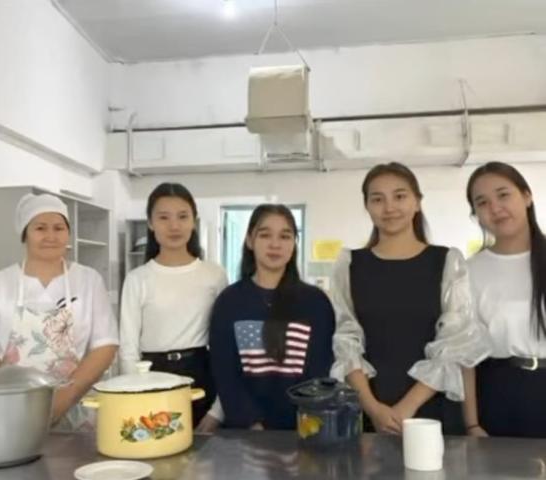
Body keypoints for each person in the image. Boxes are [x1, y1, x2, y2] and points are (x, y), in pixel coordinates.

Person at [330, 162, 489, 435]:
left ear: (417, 202)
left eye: (400, 196)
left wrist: (406, 408)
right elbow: (346, 340)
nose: (389, 207)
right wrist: (373, 408)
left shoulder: (447, 262)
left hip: (432, 410)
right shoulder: (350, 264)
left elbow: (456, 343)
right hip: (369, 411)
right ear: (367, 206)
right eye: (377, 199)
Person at [0, 193, 118, 431]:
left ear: (68, 233)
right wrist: (4, 404)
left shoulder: (88, 280)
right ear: (25, 234)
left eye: (59, 228)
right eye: (40, 228)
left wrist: (64, 399)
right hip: (11, 413)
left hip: (76, 406)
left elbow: (105, 346)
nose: (51, 236)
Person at [209, 204, 335, 429]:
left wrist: (304, 423)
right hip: (244, 431)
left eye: (285, 236)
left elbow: (319, 371)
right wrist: (252, 423)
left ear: (294, 244)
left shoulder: (316, 302)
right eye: (265, 235)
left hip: (303, 428)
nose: (275, 244)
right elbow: (225, 373)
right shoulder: (229, 302)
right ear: (250, 241)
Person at [119, 183, 228, 430]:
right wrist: (136, 397)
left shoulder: (214, 275)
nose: (174, 226)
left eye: (182, 216)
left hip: (201, 375)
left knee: (203, 453)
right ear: (150, 223)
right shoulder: (138, 278)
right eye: (164, 217)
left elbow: (225, 346)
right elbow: (128, 348)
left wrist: (218, 410)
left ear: (193, 221)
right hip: (151, 376)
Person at [463, 161, 546, 438]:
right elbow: (466, 355)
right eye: (482, 202)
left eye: (503, 195)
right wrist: (472, 424)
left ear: (527, 196)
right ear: (476, 214)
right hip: (500, 393)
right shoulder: (470, 271)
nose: (495, 208)